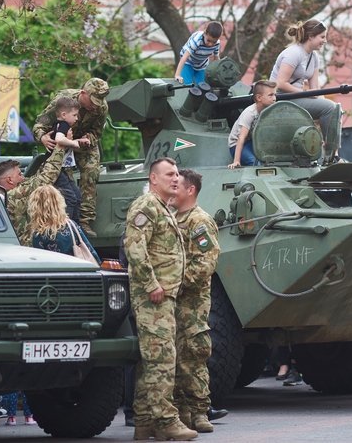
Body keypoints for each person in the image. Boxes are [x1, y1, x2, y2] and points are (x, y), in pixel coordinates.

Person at [123, 157, 195, 441]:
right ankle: (166, 421)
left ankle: (144, 423)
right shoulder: (146, 206)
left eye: (177, 174)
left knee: (151, 360)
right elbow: (134, 247)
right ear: (153, 178)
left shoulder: (162, 207)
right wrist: (151, 283)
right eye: (169, 174)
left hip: (164, 296)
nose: (176, 178)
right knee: (162, 360)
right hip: (152, 297)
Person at [172, 169, 221, 433]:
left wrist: (176, 283)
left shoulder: (199, 221)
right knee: (175, 357)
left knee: (193, 355)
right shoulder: (172, 219)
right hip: (171, 302)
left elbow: (206, 262)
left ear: (190, 190)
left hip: (192, 302)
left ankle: (200, 411)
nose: (172, 190)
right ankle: (181, 412)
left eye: (177, 186)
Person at [33, 78, 110, 238]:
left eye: (99, 102)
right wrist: (42, 137)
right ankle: (63, 219)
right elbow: (40, 125)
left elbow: (97, 133)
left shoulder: (101, 107)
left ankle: (85, 221)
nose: (95, 106)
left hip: (83, 143)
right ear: (83, 93)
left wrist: (87, 139)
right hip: (62, 143)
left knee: (91, 172)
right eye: (93, 101)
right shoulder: (63, 101)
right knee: (65, 184)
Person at [270, 19, 342, 161]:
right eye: (322, 37)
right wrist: (305, 94)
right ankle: (330, 154)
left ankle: (333, 154)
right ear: (310, 36)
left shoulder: (313, 57)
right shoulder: (293, 53)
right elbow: (280, 83)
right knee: (330, 108)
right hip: (280, 98)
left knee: (334, 108)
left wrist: (332, 109)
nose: (325, 41)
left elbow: (315, 89)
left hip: (295, 98)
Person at [0, 146, 65, 245]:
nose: (23, 178)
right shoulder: (14, 195)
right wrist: (60, 148)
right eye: (19, 174)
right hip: (24, 249)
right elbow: (46, 177)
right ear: (9, 180)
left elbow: (35, 179)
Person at [45, 95, 90, 222]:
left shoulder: (61, 126)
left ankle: (75, 226)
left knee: (77, 197)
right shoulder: (63, 125)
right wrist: (75, 143)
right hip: (57, 169)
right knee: (70, 198)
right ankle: (66, 226)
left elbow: (63, 140)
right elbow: (59, 139)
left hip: (62, 168)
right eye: (74, 115)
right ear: (64, 115)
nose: (77, 118)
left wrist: (79, 140)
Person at [27, 185, 101, 262]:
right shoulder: (71, 225)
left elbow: (39, 262)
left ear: (36, 207)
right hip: (76, 267)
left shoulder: (39, 234)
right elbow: (90, 249)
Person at [228, 80, 277, 168]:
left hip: (254, 142)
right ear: (259, 98)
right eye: (270, 95)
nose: (274, 98)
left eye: (275, 95)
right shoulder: (250, 113)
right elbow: (241, 137)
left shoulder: (270, 111)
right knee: (254, 162)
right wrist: (236, 161)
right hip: (237, 145)